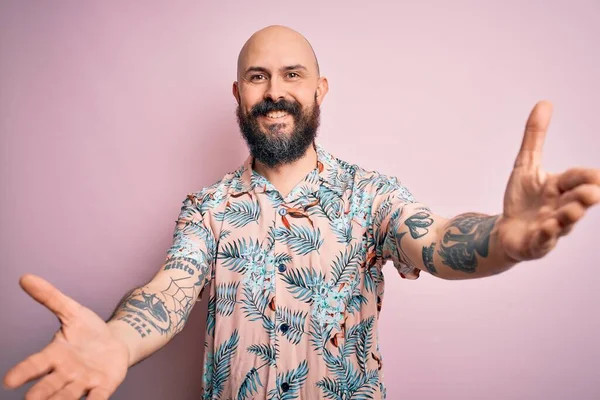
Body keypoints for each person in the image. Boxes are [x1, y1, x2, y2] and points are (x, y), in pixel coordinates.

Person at [3, 25, 599, 400]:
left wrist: (503, 242)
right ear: (238, 95)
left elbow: (437, 241)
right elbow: (170, 292)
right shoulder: (207, 209)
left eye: (293, 75)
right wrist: (115, 342)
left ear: (320, 90)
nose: (275, 91)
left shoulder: (372, 194)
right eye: (257, 77)